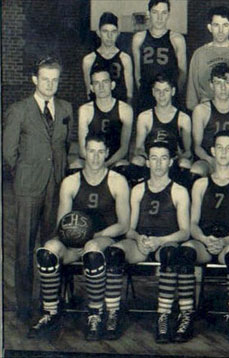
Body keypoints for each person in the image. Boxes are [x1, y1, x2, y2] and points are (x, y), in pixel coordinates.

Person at [27, 134, 130, 341]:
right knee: (47, 251)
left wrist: (95, 236)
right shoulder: (71, 182)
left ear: (107, 154)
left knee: (92, 251)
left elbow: (124, 224)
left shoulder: (118, 181)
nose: (95, 157)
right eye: (91, 151)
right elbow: (62, 223)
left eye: (100, 152)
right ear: (84, 152)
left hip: (103, 239)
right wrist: (73, 239)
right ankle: (51, 312)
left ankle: (95, 313)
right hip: (73, 242)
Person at [3, 56, 74, 320]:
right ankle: (24, 306)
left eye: (55, 79)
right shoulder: (19, 110)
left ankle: (51, 303)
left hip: (56, 188)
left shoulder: (66, 108)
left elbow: (65, 146)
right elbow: (8, 152)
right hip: (28, 188)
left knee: (53, 245)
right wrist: (25, 174)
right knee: (24, 249)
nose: (50, 84)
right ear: (35, 79)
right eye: (45, 79)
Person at [103, 140, 192, 342]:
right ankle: (112, 314)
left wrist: (161, 240)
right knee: (114, 253)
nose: (159, 163)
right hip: (141, 243)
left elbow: (185, 232)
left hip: (166, 242)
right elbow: (129, 229)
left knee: (171, 254)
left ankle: (163, 315)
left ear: (170, 162)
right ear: (148, 163)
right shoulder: (138, 190)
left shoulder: (179, 191)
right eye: (154, 158)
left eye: (163, 158)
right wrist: (139, 238)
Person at [184, 131, 229, 345]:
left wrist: (225, 241)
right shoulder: (200, 184)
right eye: (219, 148)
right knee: (185, 251)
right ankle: (186, 314)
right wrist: (205, 240)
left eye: (228, 148)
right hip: (205, 241)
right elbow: (192, 224)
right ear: (212, 152)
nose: (223, 152)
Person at [190, 63, 229, 180]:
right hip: (209, 160)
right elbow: (197, 146)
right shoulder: (201, 110)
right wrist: (211, 160)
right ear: (211, 85)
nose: (223, 88)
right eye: (218, 83)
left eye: (227, 83)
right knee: (196, 171)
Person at [186, 6, 229, 111]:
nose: (221, 30)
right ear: (209, 27)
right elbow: (192, 93)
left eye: (225, 25)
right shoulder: (199, 54)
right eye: (216, 25)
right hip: (206, 110)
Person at [129, 72, 192, 187]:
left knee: (185, 164)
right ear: (153, 92)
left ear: (172, 92)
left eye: (166, 91)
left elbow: (188, 151)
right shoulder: (145, 117)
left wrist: (179, 157)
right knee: (137, 161)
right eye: (158, 91)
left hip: (172, 160)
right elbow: (138, 148)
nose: (161, 95)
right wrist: (151, 157)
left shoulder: (183, 118)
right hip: (151, 159)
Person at [73, 67, 133, 170]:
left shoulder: (125, 110)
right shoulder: (85, 110)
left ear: (112, 85)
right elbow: (82, 149)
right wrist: (94, 164)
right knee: (75, 165)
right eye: (96, 83)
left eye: (105, 82)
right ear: (91, 87)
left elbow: (124, 148)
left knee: (123, 166)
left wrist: (106, 164)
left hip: (114, 160)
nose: (101, 87)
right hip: (91, 159)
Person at [132, 0, 187, 112]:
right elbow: (137, 73)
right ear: (148, 13)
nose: (159, 17)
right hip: (146, 98)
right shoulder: (139, 38)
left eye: (164, 13)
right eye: (155, 12)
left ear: (169, 14)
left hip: (169, 99)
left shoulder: (177, 39)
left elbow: (182, 73)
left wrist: (171, 95)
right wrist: (145, 94)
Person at [82, 12, 133, 104]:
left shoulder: (125, 59)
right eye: (105, 31)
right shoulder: (89, 60)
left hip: (119, 110)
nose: (109, 36)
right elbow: (89, 92)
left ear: (118, 33)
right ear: (98, 33)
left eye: (113, 32)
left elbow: (129, 94)